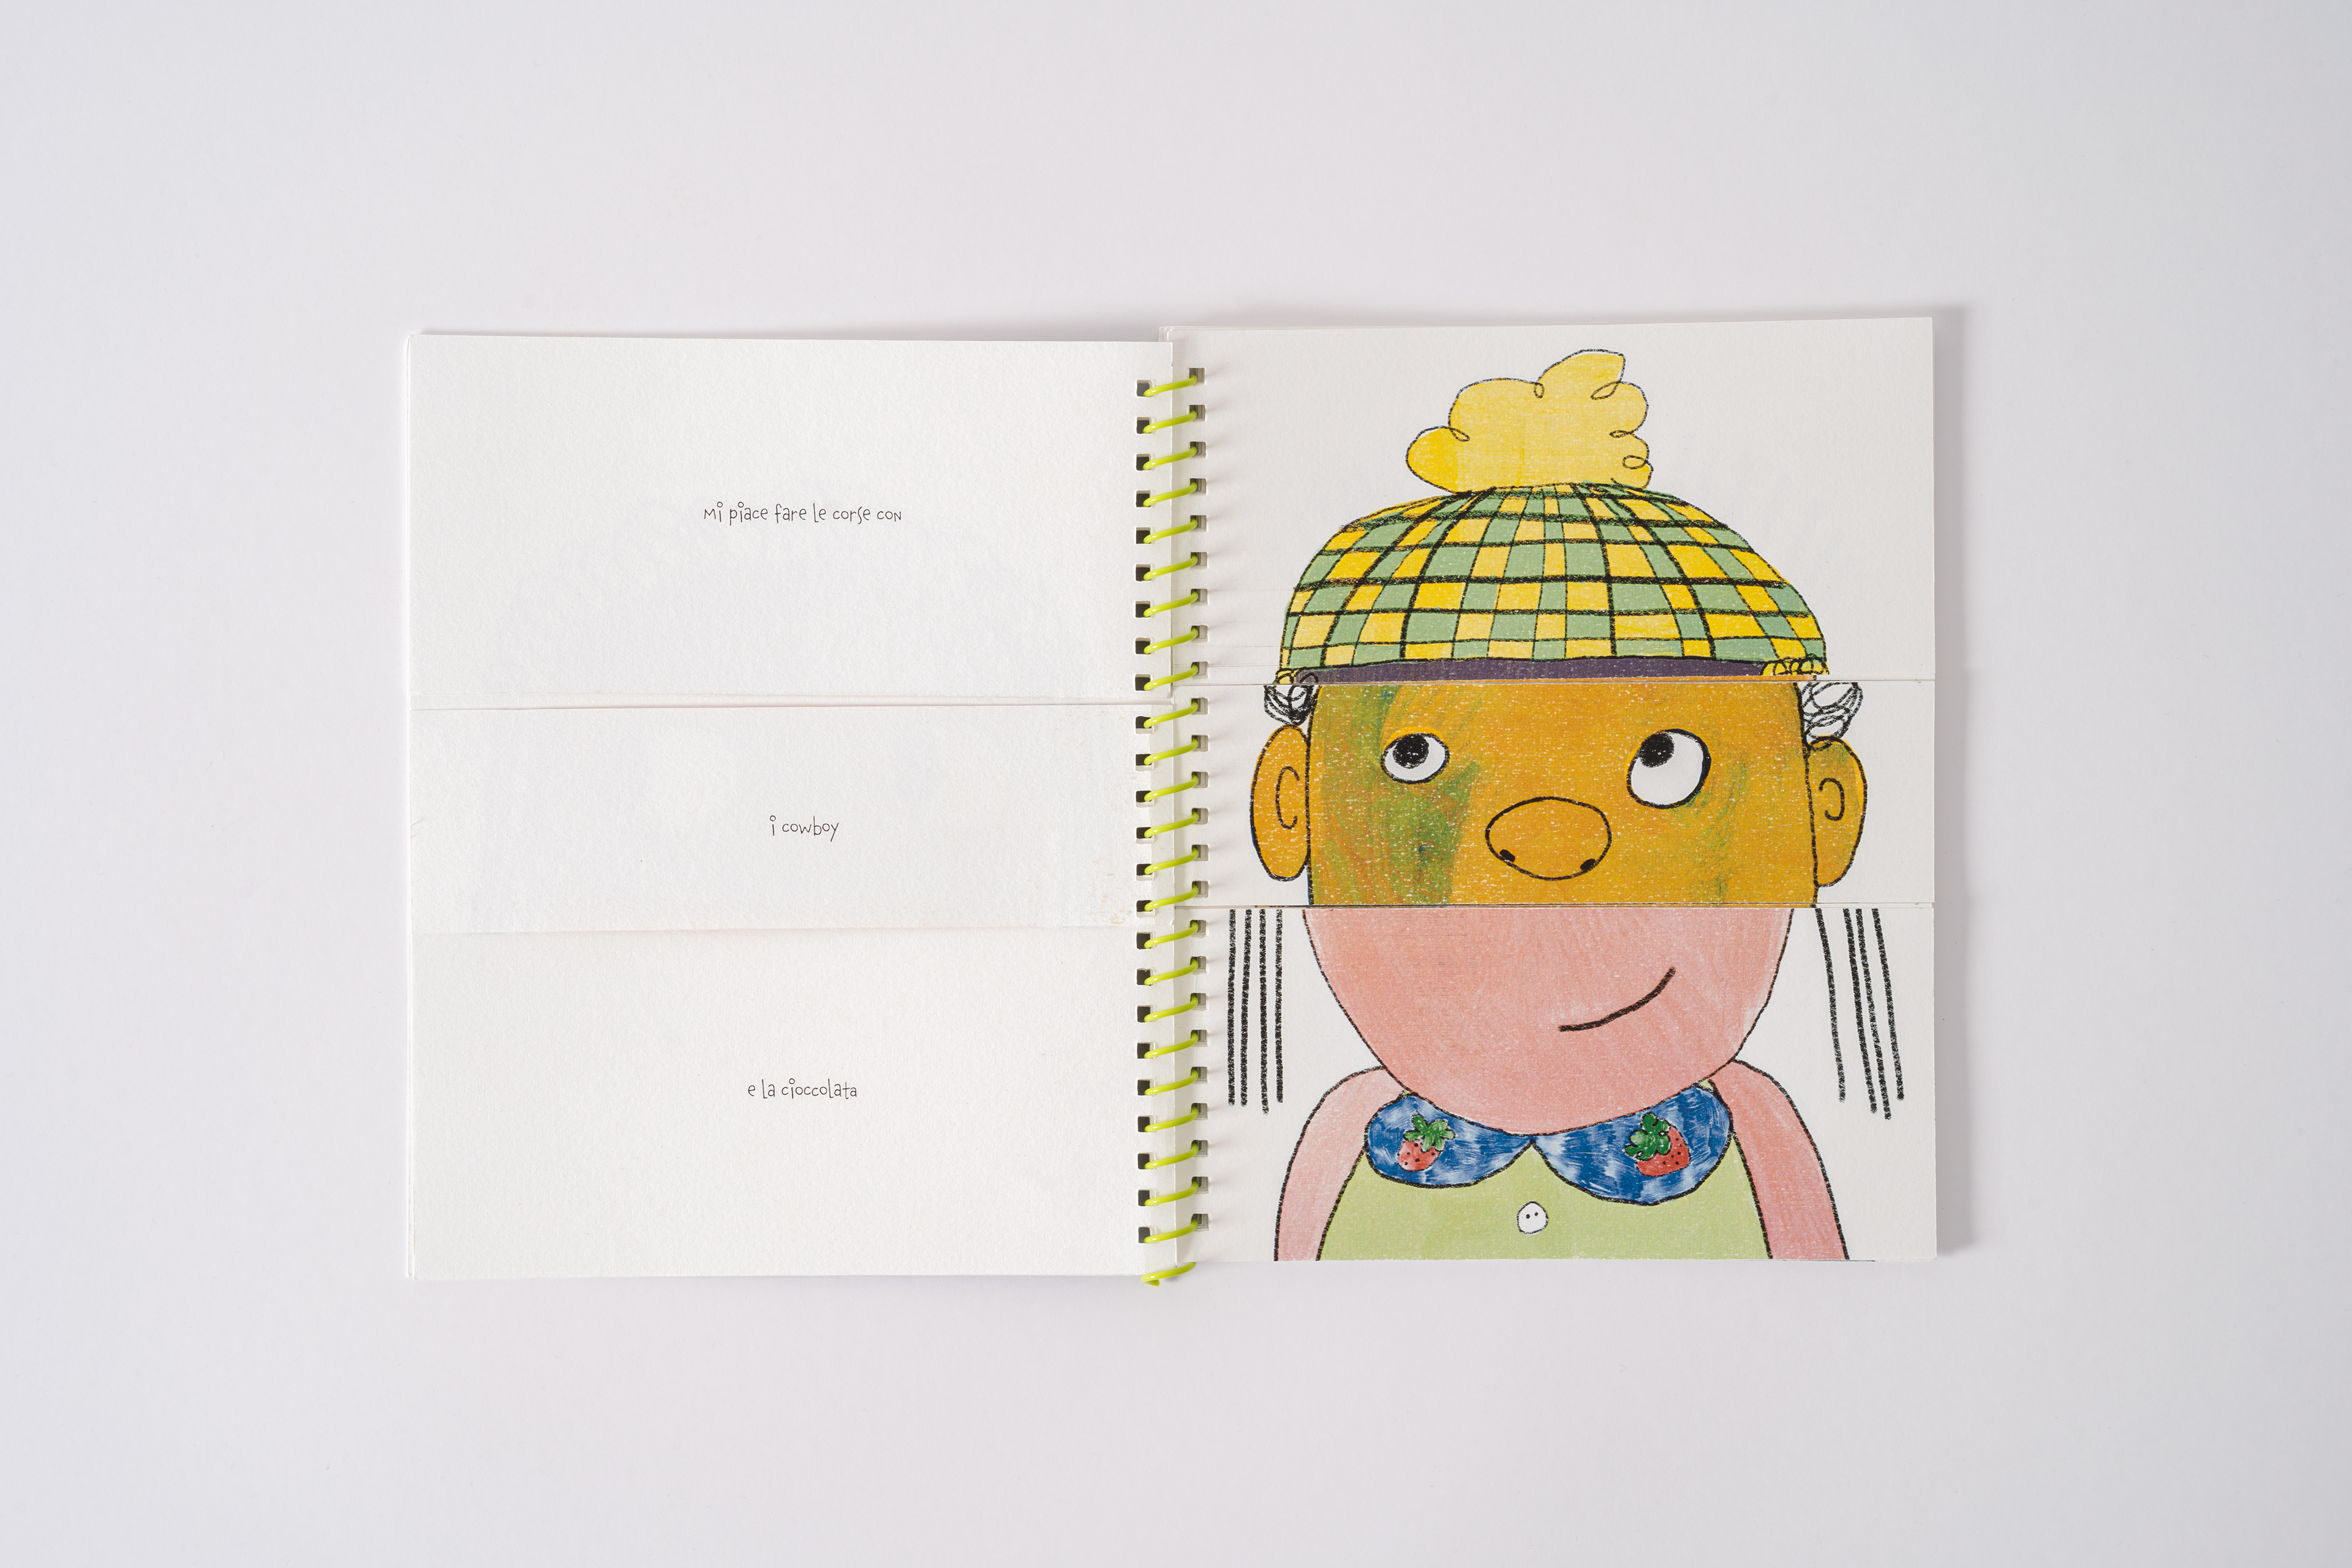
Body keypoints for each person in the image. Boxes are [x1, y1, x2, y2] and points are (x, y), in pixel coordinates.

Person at [1250, 352, 1862, 1260]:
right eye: (1415, 758)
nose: (1547, 842)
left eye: (1664, 761)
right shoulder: (1344, 1140)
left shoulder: (1758, 1137)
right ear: (1288, 805)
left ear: (1824, 812)